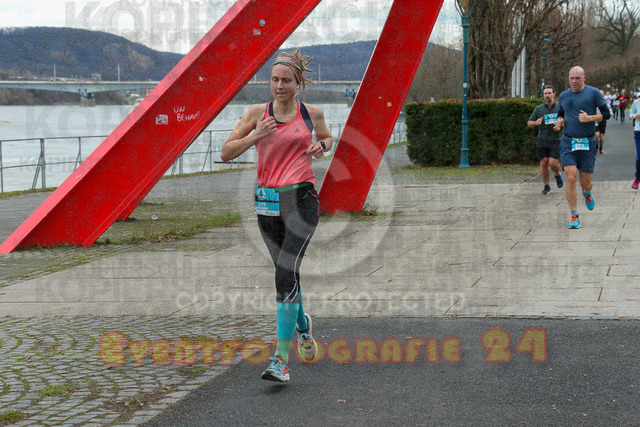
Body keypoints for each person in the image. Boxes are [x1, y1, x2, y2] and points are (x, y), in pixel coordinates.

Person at [221, 50, 333, 382]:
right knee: (288, 274)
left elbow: (326, 138)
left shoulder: (311, 113)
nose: (279, 86)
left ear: (298, 84)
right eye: (274, 80)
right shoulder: (257, 113)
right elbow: (226, 152)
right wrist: (256, 134)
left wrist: (322, 146)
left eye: (286, 80)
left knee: (285, 272)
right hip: (267, 202)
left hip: (302, 199)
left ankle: (280, 360)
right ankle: (303, 328)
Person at [555, 66, 610, 229]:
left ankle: (587, 193)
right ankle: (574, 215)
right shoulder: (564, 96)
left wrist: (590, 118)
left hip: (588, 141)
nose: (574, 81)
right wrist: (559, 121)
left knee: (585, 182)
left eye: (577, 78)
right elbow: (561, 113)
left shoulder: (593, 93)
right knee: (571, 177)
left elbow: (606, 114)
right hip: (568, 141)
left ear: (584, 78)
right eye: (571, 78)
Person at [527, 85, 564, 194]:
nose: (547, 95)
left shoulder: (560, 107)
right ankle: (546, 186)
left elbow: (568, 120)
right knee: (543, 163)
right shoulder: (539, 109)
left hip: (556, 139)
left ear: (554, 94)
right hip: (542, 139)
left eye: (549, 93)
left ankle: (557, 173)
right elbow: (529, 123)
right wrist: (536, 123)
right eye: (545, 93)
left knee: (553, 163)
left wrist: (561, 124)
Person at [629, 96, 640, 189]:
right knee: (639, 157)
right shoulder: (637, 102)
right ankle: (637, 178)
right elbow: (631, 113)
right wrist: (634, 115)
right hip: (638, 132)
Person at [595, 89, 610, 154]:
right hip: (595, 119)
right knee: (596, 135)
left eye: (601, 94)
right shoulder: (594, 101)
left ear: (603, 95)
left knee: (601, 137)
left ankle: (601, 148)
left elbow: (608, 112)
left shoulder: (605, 102)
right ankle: (596, 148)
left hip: (602, 120)